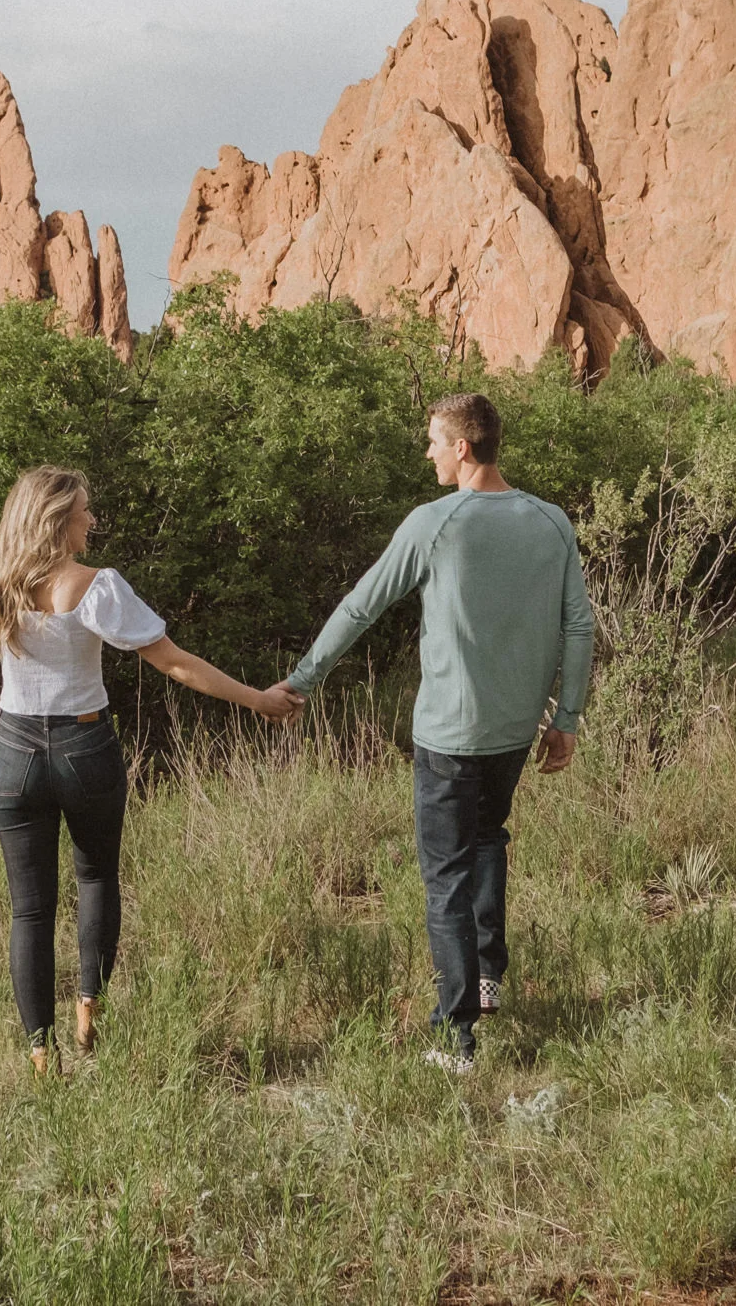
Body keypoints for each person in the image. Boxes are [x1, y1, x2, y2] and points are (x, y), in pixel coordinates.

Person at [270, 393, 591, 1073]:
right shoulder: (552, 521)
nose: (428, 453)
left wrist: (301, 681)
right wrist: (565, 720)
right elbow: (579, 627)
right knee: (487, 840)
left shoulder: (434, 523)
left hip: (449, 735)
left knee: (444, 876)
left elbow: (363, 605)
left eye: (433, 442)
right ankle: (487, 977)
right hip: (513, 732)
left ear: (464, 449)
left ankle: (456, 1037)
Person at [0, 465, 300, 1074]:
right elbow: (174, 663)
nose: (91, 519)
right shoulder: (95, 587)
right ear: (59, 522)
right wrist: (256, 699)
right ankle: (90, 1005)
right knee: (96, 880)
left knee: (29, 908)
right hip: (86, 749)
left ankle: (40, 1050)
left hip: (14, 754)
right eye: (84, 511)